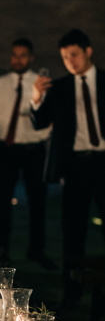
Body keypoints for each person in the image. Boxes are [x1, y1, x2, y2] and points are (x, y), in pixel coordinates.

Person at [32, 29, 105, 306]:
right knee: (72, 230)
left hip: (103, 161)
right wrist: (37, 97)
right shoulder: (60, 88)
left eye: (74, 54)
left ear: (88, 51)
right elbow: (39, 123)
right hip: (75, 166)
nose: (70, 61)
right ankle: (72, 292)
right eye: (65, 57)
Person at [0, 38, 53, 268]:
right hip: (7, 147)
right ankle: (1, 250)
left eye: (23, 55)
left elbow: (48, 119)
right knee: (2, 201)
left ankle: (37, 250)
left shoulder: (40, 82)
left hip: (33, 149)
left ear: (31, 58)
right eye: (14, 55)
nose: (18, 59)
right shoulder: (1, 84)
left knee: (38, 200)